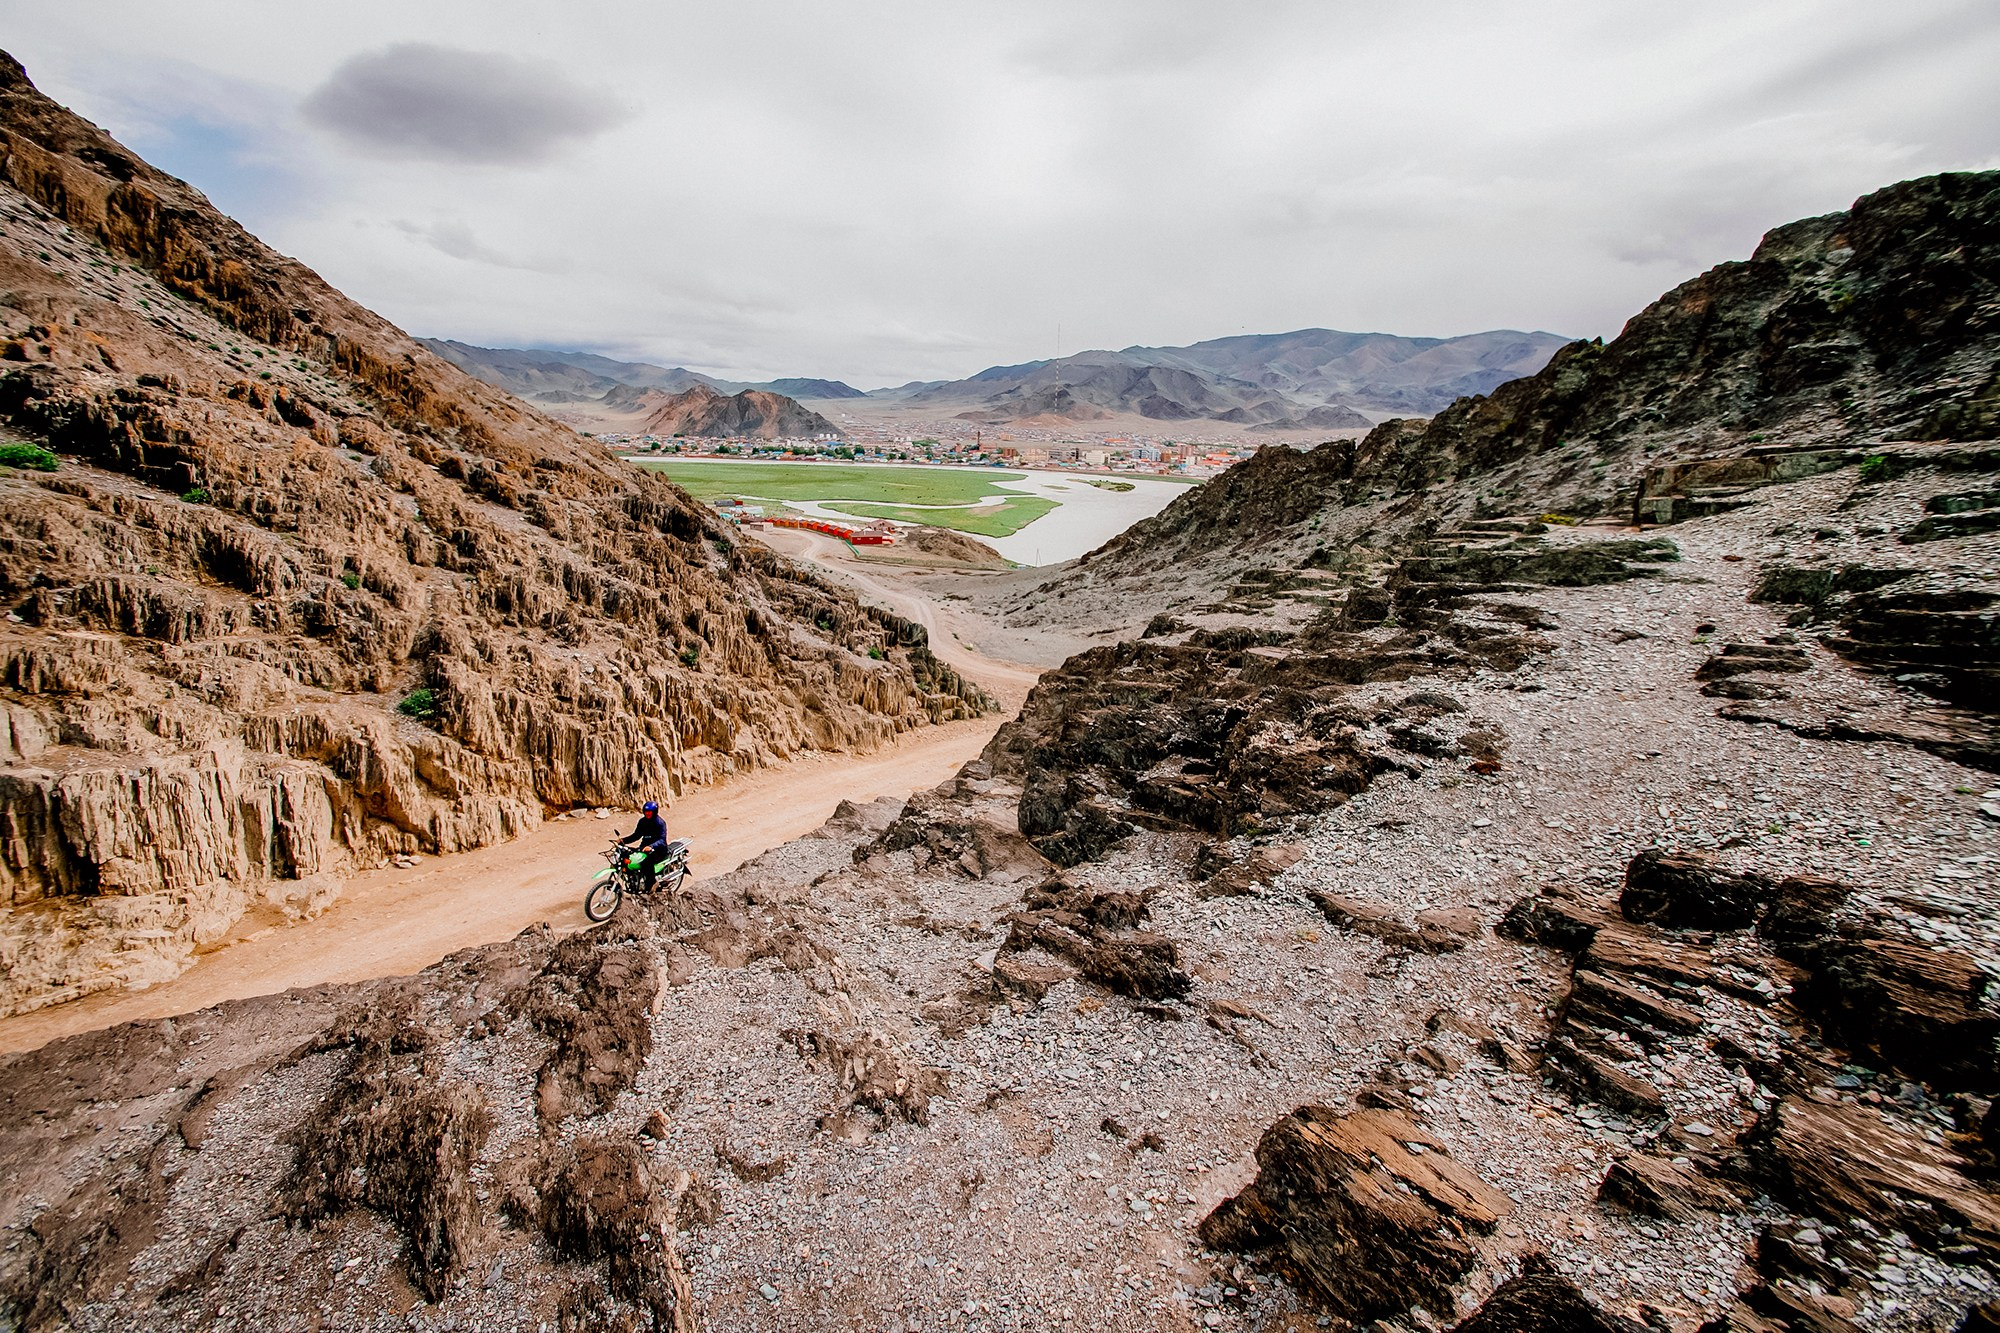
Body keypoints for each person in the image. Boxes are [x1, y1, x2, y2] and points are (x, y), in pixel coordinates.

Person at [616, 800, 670, 891]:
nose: (647, 813)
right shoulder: (642, 822)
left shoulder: (660, 823)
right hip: (644, 848)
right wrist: (623, 841)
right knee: (630, 858)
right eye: (646, 811)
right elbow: (636, 835)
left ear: (654, 812)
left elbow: (662, 839)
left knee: (646, 863)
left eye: (649, 812)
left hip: (659, 850)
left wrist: (651, 846)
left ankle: (651, 885)